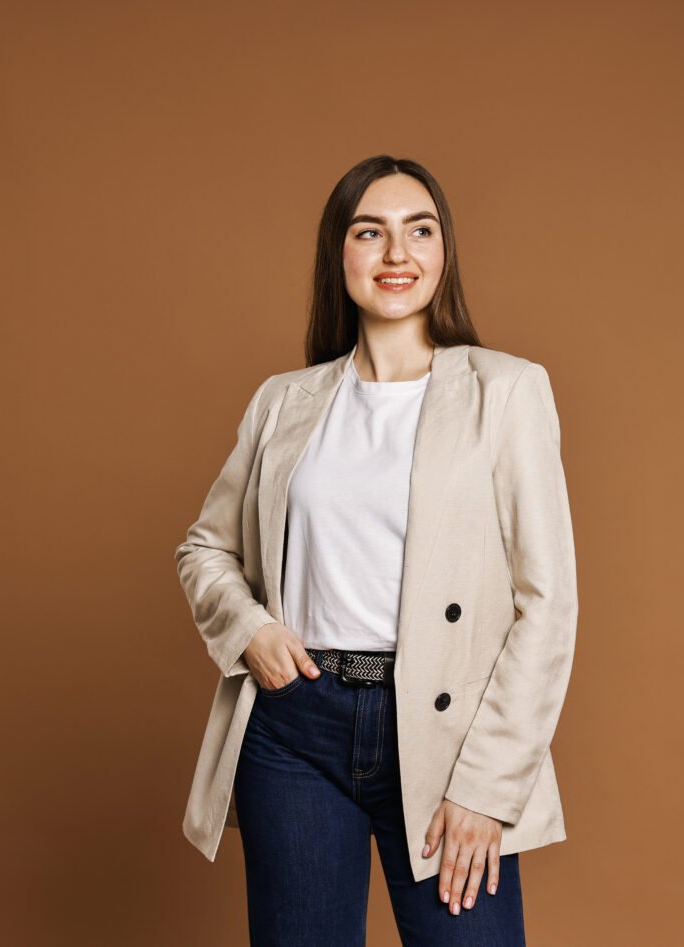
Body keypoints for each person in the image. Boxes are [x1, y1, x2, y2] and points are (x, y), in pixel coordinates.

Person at [175, 154, 578, 946]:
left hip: (448, 731)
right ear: (340, 254)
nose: (398, 254)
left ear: (443, 252)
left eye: (418, 231)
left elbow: (547, 602)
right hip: (296, 725)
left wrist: (490, 785)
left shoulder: (506, 391)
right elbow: (204, 548)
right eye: (371, 232)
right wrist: (250, 628)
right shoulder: (284, 401)